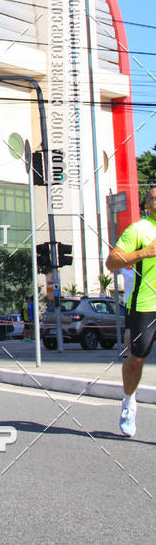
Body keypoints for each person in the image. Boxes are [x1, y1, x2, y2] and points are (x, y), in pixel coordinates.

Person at [105, 186, 156, 437]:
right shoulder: (138, 229)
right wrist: (145, 253)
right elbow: (111, 261)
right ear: (148, 204)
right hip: (145, 306)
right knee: (137, 360)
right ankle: (129, 400)